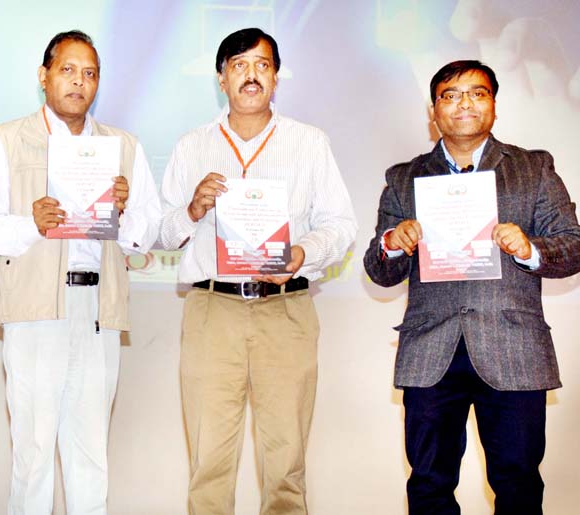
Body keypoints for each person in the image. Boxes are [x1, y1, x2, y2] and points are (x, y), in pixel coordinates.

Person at [363, 60, 580, 515]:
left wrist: (529, 247)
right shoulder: (404, 177)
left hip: (513, 347)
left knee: (518, 482)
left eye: (477, 93)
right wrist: (392, 243)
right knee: (428, 483)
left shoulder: (534, 168)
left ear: (494, 105)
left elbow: (574, 247)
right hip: (430, 352)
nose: (464, 103)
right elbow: (379, 270)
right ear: (433, 110)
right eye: (451, 95)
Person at [157, 28, 356, 514]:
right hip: (212, 311)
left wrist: (302, 254)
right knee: (209, 462)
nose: (251, 75)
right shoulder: (191, 146)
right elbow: (162, 234)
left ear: (276, 78)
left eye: (263, 65)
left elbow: (342, 225)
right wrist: (193, 210)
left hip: (285, 311)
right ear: (221, 79)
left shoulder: (309, 142)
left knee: (286, 463)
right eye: (240, 65)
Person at [0, 30, 161, 514]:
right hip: (36, 313)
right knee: (32, 456)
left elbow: (145, 235)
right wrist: (31, 224)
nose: (80, 82)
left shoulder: (123, 147)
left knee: (90, 454)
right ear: (44, 76)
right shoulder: (8, 139)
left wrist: (122, 209)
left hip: (98, 311)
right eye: (68, 70)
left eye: (90, 73)